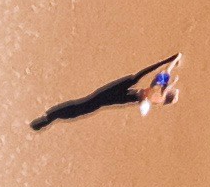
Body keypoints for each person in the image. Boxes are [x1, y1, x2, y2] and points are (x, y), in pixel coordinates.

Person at [29, 52, 183, 131]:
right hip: (130, 94)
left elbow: (162, 78)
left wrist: (171, 62)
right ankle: (52, 117)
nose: (174, 90)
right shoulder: (160, 91)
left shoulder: (161, 93)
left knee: (89, 105)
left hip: (129, 95)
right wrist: (172, 61)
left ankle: (52, 117)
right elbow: (163, 73)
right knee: (88, 105)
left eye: (173, 92)